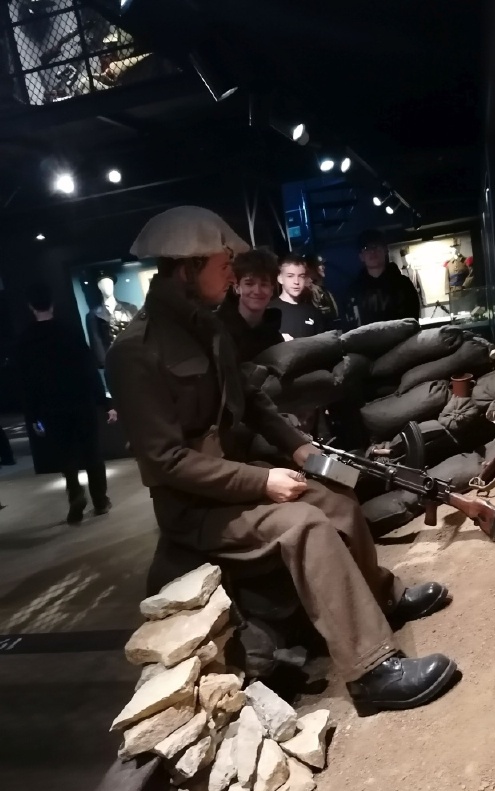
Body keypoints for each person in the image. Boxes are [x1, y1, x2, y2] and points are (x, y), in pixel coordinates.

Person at [106, 206, 457, 713]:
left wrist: (297, 446)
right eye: (221, 265)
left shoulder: (208, 327)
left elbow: (249, 400)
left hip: (235, 482)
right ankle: (372, 672)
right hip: (195, 507)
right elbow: (166, 462)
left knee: (338, 500)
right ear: (187, 268)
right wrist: (261, 482)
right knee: (304, 526)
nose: (231, 274)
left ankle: (383, 597)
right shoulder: (135, 352)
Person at [15, 285, 115, 524]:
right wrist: (104, 401)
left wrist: (33, 416)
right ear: (52, 304)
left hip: (51, 406)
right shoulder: (69, 331)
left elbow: (26, 382)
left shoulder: (26, 340)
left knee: (65, 453)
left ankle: (75, 494)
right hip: (80, 401)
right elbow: (88, 369)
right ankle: (100, 500)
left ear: (30, 307)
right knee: (91, 451)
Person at [219, 248, 283, 362]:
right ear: (237, 288)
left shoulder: (275, 339)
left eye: (264, 284)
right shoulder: (217, 329)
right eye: (249, 283)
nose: (257, 291)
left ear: (271, 290)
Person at [347, 229, 420, 328]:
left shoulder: (404, 285)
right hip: (367, 338)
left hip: (401, 337)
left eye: (376, 246)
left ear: (385, 250)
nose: (372, 251)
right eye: (366, 248)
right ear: (361, 256)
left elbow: (413, 320)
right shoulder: (354, 291)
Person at [269, 253, 329, 340]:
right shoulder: (269, 311)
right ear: (280, 278)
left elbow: (321, 345)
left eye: (301, 276)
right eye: (290, 276)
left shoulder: (313, 313)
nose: (296, 282)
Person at [304, 253, 341, 329]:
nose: (323, 267)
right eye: (319, 264)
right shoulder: (310, 291)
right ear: (310, 267)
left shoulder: (323, 290)